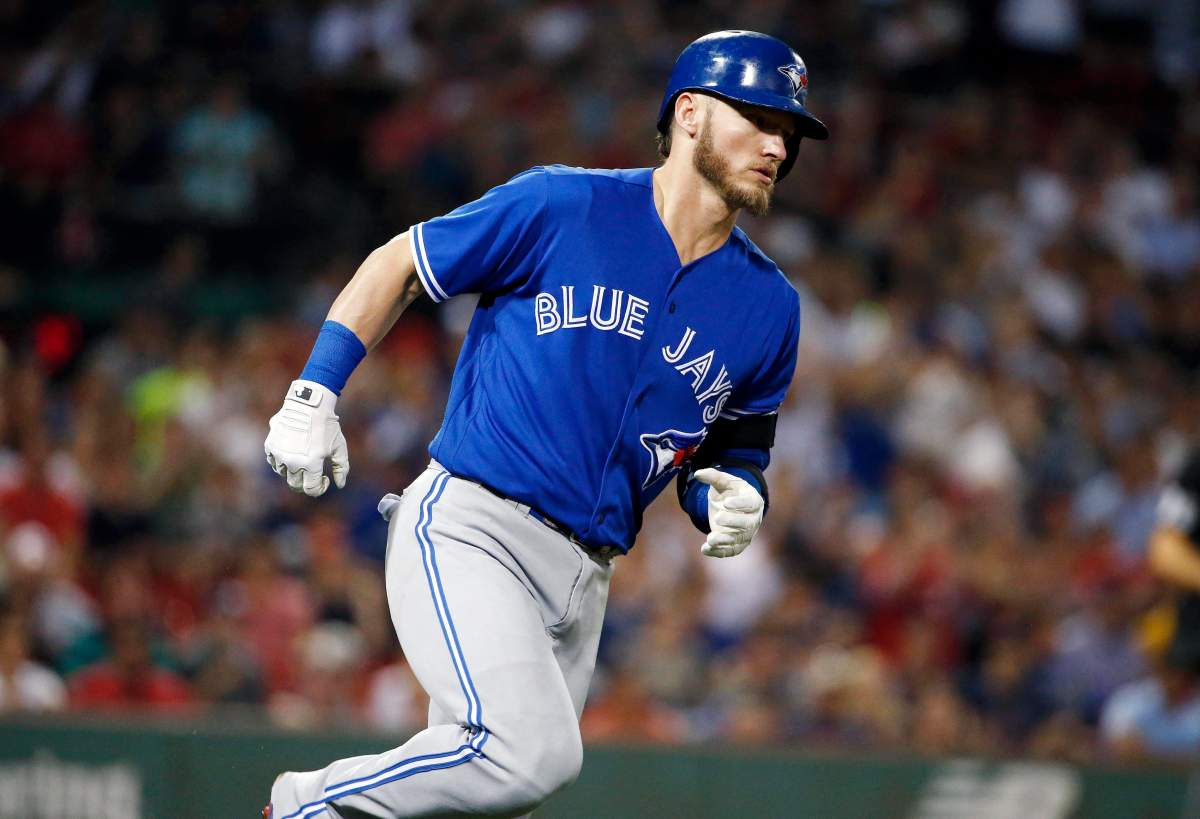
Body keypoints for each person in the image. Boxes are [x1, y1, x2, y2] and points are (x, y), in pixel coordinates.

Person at [262, 30, 828, 819]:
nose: (777, 146)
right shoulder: (565, 205)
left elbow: (734, 451)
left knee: (483, 789)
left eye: (789, 132)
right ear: (690, 113)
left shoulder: (770, 306)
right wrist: (314, 390)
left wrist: (734, 495)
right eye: (760, 119)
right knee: (529, 754)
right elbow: (402, 263)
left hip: (587, 578)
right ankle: (304, 807)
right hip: (474, 526)